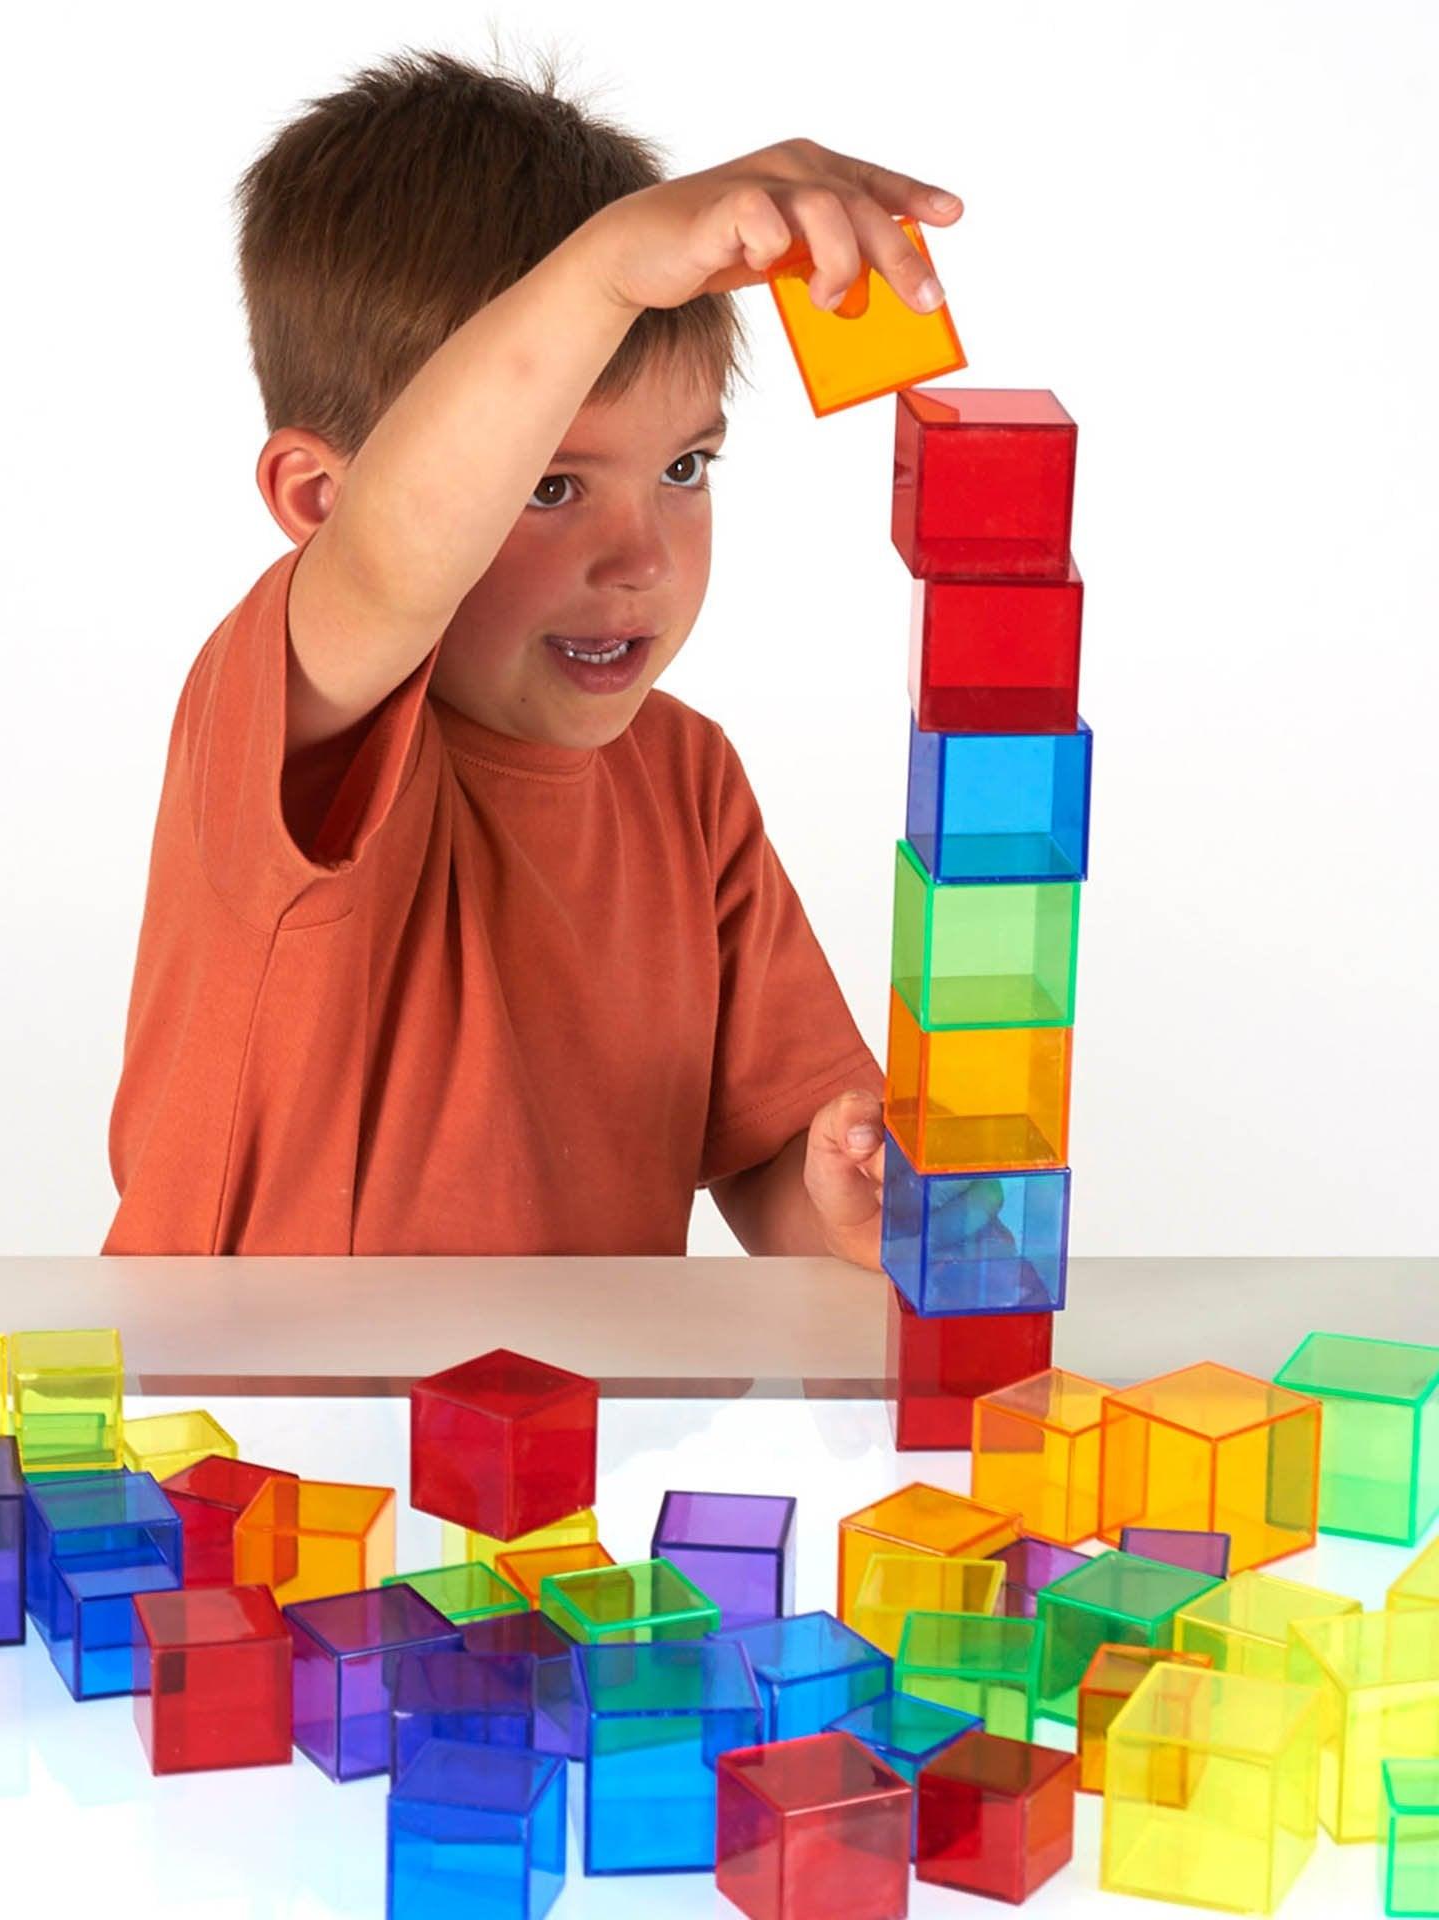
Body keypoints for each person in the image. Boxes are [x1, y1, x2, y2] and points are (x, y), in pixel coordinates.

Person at [103, 47, 964, 1262]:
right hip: (252, 1385)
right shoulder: (294, 720)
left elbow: (774, 1151)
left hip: (573, 1393)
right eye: (550, 485)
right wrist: (606, 270)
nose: (643, 560)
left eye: (684, 468)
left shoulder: (688, 782)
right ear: (319, 500)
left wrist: (845, 1194)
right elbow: (394, 559)